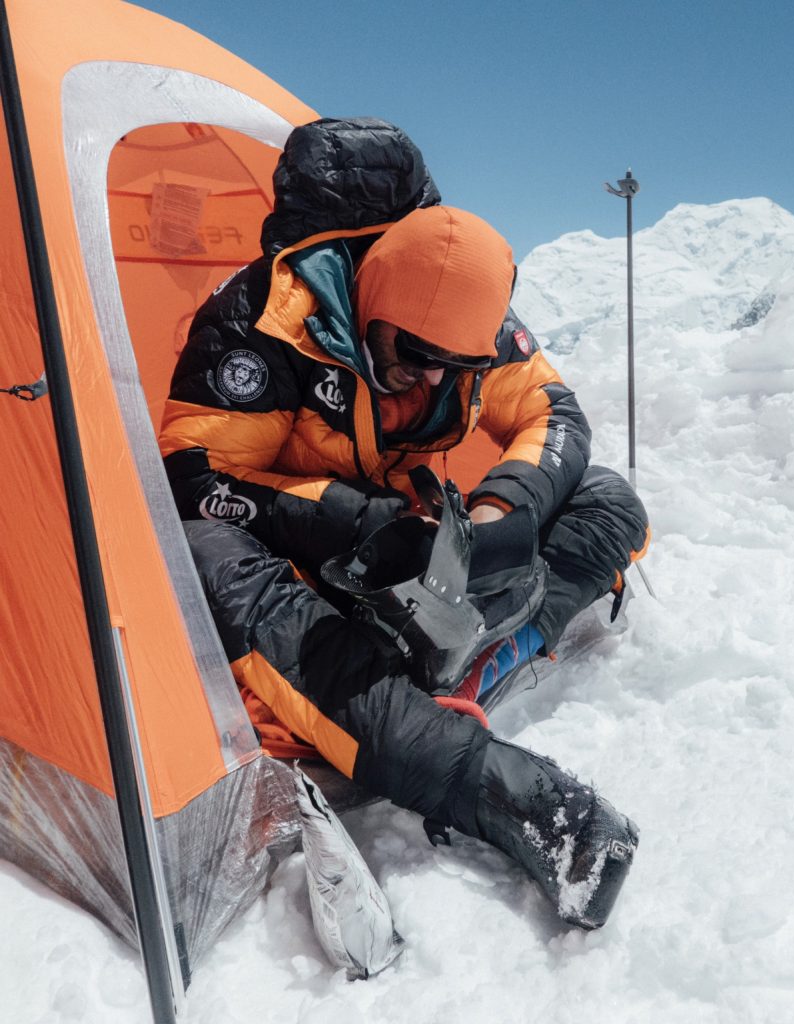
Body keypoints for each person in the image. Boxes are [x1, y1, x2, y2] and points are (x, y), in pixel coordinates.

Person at [159, 118, 649, 929]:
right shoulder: (259, 324)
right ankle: (474, 774)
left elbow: (550, 412)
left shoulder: (466, 318)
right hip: (302, 555)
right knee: (204, 557)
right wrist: (348, 521)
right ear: (368, 303)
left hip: (418, 556)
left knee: (605, 498)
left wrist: (504, 512)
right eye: (411, 357)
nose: (428, 378)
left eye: (452, 368)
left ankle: (474, 655)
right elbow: (194, 479)